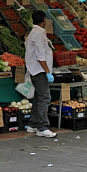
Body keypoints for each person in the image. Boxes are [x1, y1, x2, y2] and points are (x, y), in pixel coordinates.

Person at [25, 10, 56, 138]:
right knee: (45, 98)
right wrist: (47, 71)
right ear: (43, 20)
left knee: (38, 98)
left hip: (37, 70)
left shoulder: (36, 32)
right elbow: (40, 55)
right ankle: (42, 127)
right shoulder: (37, 34)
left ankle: (33, 124)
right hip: (39, 71)